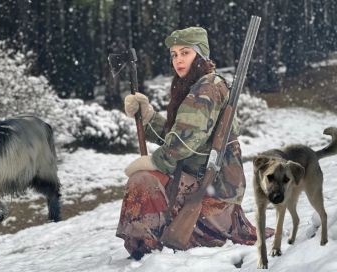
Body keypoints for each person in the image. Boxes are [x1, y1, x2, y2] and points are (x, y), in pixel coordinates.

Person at [116, 26, 273, 260]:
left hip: (212, 190)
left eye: (185, 53)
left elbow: (183, 143)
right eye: (174, 54)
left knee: (143, 181)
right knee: (147, 178)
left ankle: (148, 248)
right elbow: (180, 135)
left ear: (200, 56)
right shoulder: (196, 84)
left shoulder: (207, 86)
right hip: (204, 181)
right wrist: (147, 116)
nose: (178, 60)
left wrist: (154, 162)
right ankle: (153, 241)